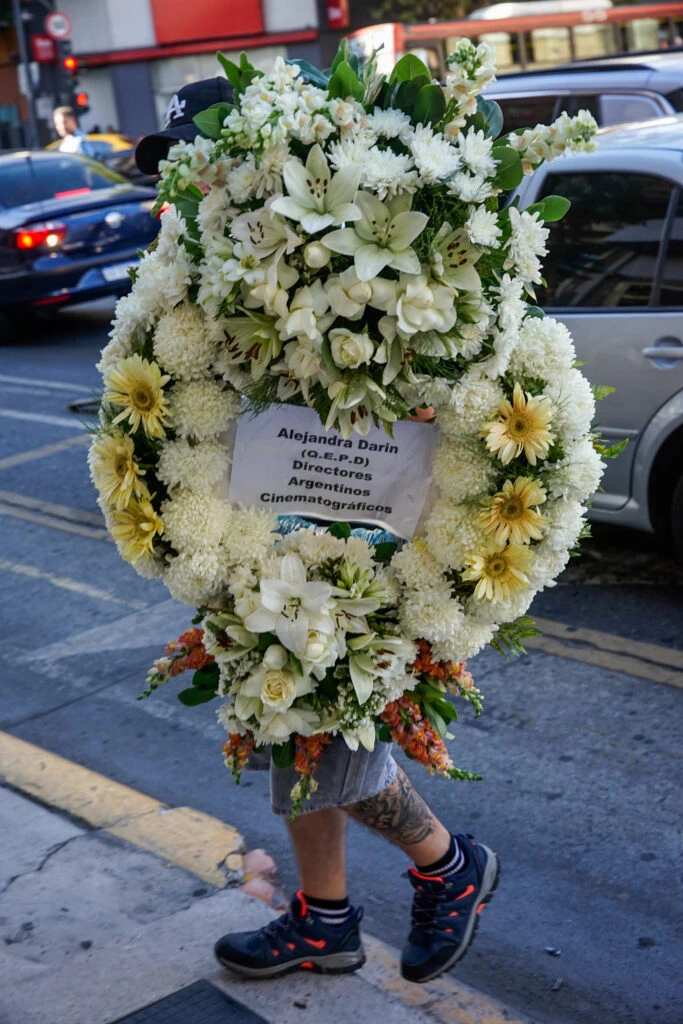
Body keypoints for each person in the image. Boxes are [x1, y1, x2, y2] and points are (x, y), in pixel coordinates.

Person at [134, 82, 500, 987]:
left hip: (349, 525)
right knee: (279, 719)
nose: (181, 184)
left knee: (325, 727)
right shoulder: (194, 255)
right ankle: (324, 918)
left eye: (197, 160)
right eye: (173, 167)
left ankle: (448, 865)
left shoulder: (329, 248)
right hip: (255, 520)